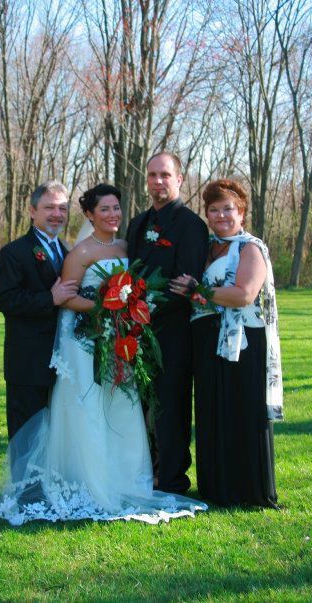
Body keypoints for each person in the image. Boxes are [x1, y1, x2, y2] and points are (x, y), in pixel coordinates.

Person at [0, 183, 207, 525]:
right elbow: (67, 300)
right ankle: (78, 482)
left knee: (122, 408)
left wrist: (126, 313)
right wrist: (106, 309)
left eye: (116, 208)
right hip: (85, 342)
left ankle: (125, 478)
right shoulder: (76, 252)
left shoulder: (125, 246)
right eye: (104, 209)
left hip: (118, 341)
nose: (112, 214)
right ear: (90, 215)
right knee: (86, 409)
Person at [170, 179, 283, 508]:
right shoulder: (206, 247)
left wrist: (198, 290)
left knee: (241, 411)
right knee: (212, 411)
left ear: (241, 212)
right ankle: (216, 486)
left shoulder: (250, 248)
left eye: (228, 209)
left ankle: (248, 488)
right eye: (214, 209)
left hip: (242, 341)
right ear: (207, 214)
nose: (221, 215)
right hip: (205, 338)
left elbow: (244, 294)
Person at [126, 152, 209, 494]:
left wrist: (145, 309)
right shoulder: (137, 223)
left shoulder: (191, 225)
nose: (158, 181)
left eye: (164, 175)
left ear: (179, 179)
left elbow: (184, 285)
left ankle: (173, 478)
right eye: (152, 175)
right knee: (140, 405)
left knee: (170, 407)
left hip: (173, 333)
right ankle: (146, 472)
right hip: (135, 333)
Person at [0, 180, 78, 440]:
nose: (57, 214)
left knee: (58, 435)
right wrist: (49, 298)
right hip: (28, 361)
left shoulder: (70, 251)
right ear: (32, 211)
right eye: (49, 207)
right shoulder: (14, 252)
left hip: (66, 358)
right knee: (27, 435)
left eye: (62, 208)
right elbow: (4, 299)